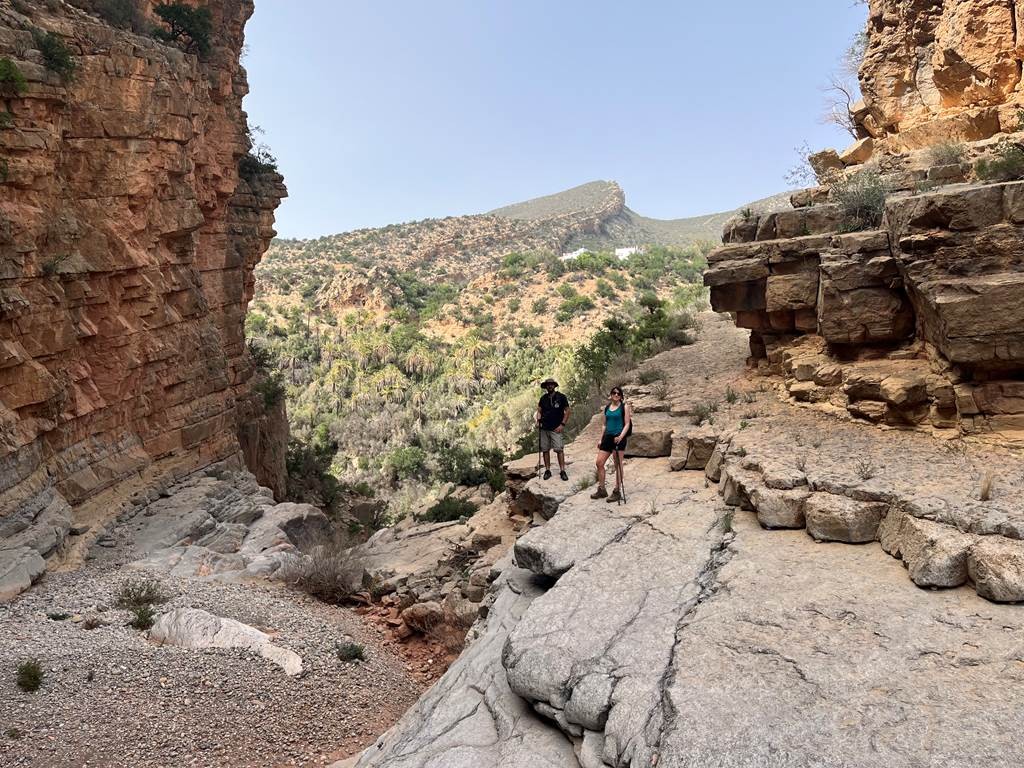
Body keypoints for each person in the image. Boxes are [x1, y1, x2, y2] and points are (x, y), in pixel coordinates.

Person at [591, 386, 632, 502]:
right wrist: (601, 439)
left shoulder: (624, 407)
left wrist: (621, 437)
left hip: (619, 437)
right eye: (614, 393)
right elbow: (604, 424)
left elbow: (627, 424)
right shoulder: (607, 407)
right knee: (599, 462)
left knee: (617, 464)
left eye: (618, 393)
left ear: (621, 396)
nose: (616, 395)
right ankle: (602, 489)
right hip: (608, 437)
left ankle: (617, 491)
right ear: (611, 394)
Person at [535, 378, 570, 481]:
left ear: (554, 386)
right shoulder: (543, 398)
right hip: (544, 428)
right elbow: (539, 411)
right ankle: (547, 470)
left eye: (551, 384)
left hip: (556, 428)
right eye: (548, 385)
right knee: (545, 449)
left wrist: (562, 424)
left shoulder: (561, 397)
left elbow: (568, 411)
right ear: (546, 387)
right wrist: (538, 420)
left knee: (559, 449)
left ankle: (562, 470)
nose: (550, 386)